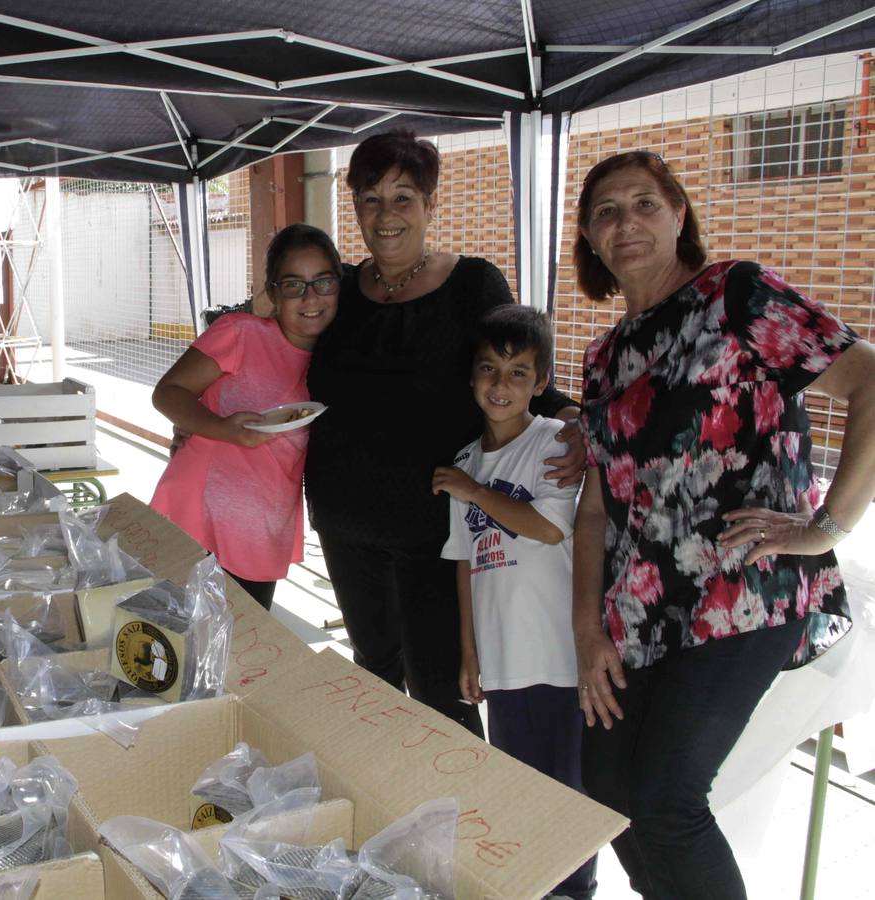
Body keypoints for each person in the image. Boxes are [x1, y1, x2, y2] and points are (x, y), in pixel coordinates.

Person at [571, 150, 875, 899]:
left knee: (663, 800)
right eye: (606, 212)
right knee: (608, 794)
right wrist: (586, 628)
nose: (626, 222)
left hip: (742, 593)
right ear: (590, 239)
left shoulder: (736, 294)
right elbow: (599, 506)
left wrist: (825, 529)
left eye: (645, 203)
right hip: (640, 610)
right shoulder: (604, 357)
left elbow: (870, 379)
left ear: (680, 215)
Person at [304, 129, 581, 736]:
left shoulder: (472, 284)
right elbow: (280, 351)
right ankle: (386, 788)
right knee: (373, 675)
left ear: (430, 205)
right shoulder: (340, 291)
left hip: (437, 529)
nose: (386, 215)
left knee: (442, 690)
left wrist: (574, 420)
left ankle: (460, 796)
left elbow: (518, 367)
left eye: (403, 197)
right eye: (371, 198)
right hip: (345, 524)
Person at [435, 305, 595, 900]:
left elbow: (550, 528)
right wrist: (469, 652)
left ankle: (575, 890)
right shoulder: (466, 461)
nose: (500, 385)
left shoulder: (556, 441)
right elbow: (465, 560)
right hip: (502, 662)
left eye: (518, 372)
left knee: (568, 795)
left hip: (559, 658)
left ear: (541, 382)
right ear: (472, 376)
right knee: (520, 791)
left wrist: (474, 491)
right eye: (489, 369)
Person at [151, 224, 341, 610]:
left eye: (323, 282)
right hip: (196, 517)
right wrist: (221, 428)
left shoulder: (339, 363)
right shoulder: (241, 334)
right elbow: (168, 393)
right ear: (273, 293)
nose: (310, 297)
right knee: (172, 636)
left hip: (261, 532)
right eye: (293, 285)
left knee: (241, 642)